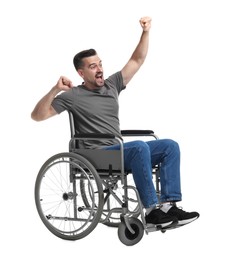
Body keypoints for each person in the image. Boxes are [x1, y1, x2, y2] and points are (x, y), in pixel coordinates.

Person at [31, 16, 199, 229]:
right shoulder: (73, 95)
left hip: (118, 150)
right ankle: (151, 212)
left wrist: (145, 32)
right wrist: (55, 90)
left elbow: (136, 61)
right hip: (95, 154)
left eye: (100, 64)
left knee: (169, 146)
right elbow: (37, 115)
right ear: (81, 73)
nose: (100, 69)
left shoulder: (112, 85)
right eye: (93, 66)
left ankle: (168, 206)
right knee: (138, 147)